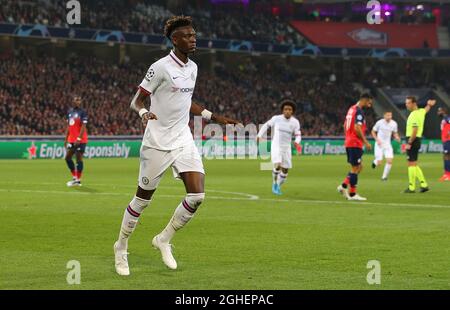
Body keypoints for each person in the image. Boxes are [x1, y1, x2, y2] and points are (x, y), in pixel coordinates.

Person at [113, 16, 239, 276]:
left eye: (194, 35)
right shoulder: (159, 67)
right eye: (187, 35)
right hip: (157, 142)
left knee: (197, 196)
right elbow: (137, 100)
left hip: (182, 138)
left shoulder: (193, 67)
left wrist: (213, 117)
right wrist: (143, 114)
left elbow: (187, 101)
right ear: (174, 39)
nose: (193, 38)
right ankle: (121, 247)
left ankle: (164, 239)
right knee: (141, 201)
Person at [257, 99, 302, 195]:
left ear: (292, 111)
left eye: (290, 109)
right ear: (282, 110)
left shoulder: (295, 122)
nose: (287, 111)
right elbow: (266, 125)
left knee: (285, 170)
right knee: (278, 164)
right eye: (285, 109)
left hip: (287, 148)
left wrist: (297, 142)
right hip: (276, 145)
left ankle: (277, 185)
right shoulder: (276, 118)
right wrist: (259, 135)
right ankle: (274, 184)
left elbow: (298, 135)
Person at [337, 93, 373, 201]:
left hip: (350, 141)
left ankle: (343, 186)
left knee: (359, 167)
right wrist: (365, 142)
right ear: (364, 100)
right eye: (369, 102)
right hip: (355, 143)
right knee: (355, 168)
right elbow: (357, 128)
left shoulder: (351, 109)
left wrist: (348, 136)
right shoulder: (359, 111)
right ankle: (352, 194)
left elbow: (344, 125)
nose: (370, 105)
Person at [403, 96, 436, 193]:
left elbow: (415, 130)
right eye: (406, 103)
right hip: (417, 139)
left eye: (408, 103)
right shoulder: (421, 112)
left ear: (414, 103)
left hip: (412, 139)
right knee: (413, 163)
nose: (406, 105)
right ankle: (424, 184)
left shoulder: (414, 115)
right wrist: (429, 105)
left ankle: (411, 187)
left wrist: (409, 142)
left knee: (411, 164)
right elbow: (426, 110)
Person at [64, 95, 88, 187]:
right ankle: (74, 177)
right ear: (73, 101)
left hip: (81, 140)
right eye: (76, 100)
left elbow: (83, 126)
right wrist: (66, 139)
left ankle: (78, 180)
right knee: (67, 158)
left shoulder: (83, 112)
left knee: (79, 158)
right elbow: (68, 126)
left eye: (79, 100)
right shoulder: (69, 112)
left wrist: (79, 138)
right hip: (71, 139)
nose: (78, 101)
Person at [371, 111, 401, 181]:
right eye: (387, 115)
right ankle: (375, 162)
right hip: (379, 144)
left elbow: (395, 133)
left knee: (389, 161)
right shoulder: (379, 122)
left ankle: (384, 177)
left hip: (387, 144)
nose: (389, 117)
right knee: (379, 163)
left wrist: (397, 137)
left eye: (390, 115)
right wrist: (377, 139)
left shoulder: (394, 123)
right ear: (384, 115)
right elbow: (373, 131)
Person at [437, 106, 450, 181]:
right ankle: (447, 173)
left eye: (439, 111)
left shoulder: (447, 118)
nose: (438, 113)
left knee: (446, 156)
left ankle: (447, 174)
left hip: (448, 140)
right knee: (446, 156)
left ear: (443, 111)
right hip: (446, 140)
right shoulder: (444, 119)